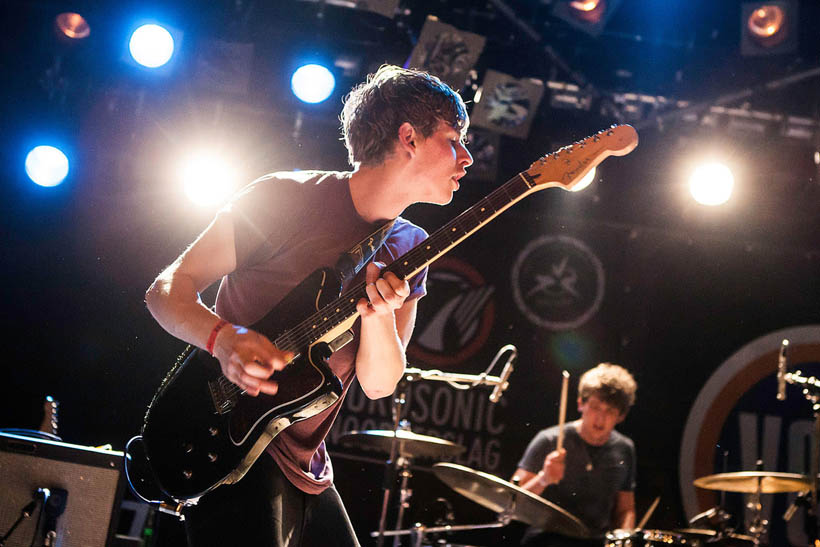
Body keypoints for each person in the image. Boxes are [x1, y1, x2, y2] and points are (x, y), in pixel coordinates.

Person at [144, 64, 473, 546]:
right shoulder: (282, 198)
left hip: (308, 466)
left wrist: (379, 318)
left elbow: (380, 385)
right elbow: (166, 290)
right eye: (454, 139)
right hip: (227, 446)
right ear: (409, 137)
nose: (466, 158)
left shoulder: (412, 246)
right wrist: (223, 339)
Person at [511, 363, 637, 546]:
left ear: (621, 416)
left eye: (610, 411)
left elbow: (625, 510)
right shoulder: (549, 440)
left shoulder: (625, 448)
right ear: (581, 404)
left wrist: (625, 539)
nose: (600, 418)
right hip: (546, 541)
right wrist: (543, 479)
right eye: (595, 407)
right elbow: (510, 506)